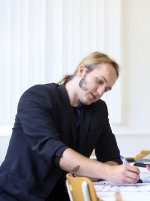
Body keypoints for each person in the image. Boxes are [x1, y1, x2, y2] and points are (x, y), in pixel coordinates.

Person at [0, 52, 140, 201]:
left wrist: (105, 171)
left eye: (106, 89)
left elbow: (112, 158)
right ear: (82, 71)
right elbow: (52, 151)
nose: (100, 92)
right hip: (17, 194)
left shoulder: (98, 109)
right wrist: (107, 172)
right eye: (99, 81)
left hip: (64, 195)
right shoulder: (37, 96)